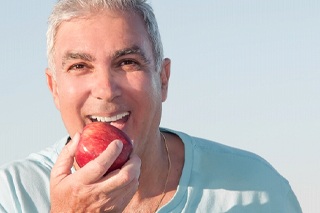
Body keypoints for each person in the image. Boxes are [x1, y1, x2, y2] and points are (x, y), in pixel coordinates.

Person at [0, 0, 302, 212]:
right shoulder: (12, 195)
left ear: (164, 79)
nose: (106, 90)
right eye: (80, 65)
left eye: (127, 62)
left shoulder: (259, 187)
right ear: (53, 88)